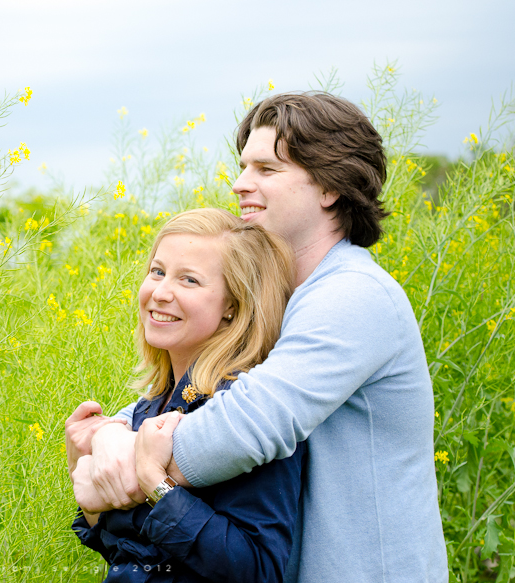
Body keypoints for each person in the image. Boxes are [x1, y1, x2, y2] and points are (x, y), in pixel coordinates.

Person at [67, 92, 448, 582]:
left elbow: (248, 424)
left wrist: (126, 464)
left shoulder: (353, 295)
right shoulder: (288, 298)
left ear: (330, 188)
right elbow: (190, 395)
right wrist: (112, 432)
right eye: (243, 166)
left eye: (267, 170)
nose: (240, 184)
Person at [68, 208, 305, 581]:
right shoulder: (150, 405)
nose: (161, 293)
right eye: (157, 272)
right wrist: (86, 478)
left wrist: (153, 484)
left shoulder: (241, 409)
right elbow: (132, 556)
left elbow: (257, 570)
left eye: (189, 280)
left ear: (232, 304)